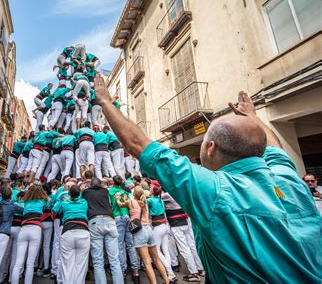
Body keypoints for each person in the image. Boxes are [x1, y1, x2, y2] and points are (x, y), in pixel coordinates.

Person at [95, 74, 321, 283]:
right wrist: (253, 117)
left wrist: (105, 102)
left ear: (211, 148)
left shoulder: (215, 191)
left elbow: (139, 145)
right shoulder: (289, 179)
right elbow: (274, 148)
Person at [116, 186, 169, 284]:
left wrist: (118, 198)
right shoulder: (145, 203)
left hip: (139, 232)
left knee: (147, 262)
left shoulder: (131, 202)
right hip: (149, 230)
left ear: (134, 194)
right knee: (156, 259)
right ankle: (167, 280)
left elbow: (120, 205)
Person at [82, 178, 123, 284]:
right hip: (109, 220)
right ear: (100, 185)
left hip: (95, 221)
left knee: (98, 261)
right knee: (114, 259)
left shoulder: (86, 192)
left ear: (90, 184)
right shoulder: (105, 191)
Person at [11, 184, 49, 284]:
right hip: (36, 229)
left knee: (18, 262)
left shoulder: (25, 201)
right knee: (30, 263)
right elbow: (49, 202)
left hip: (23, 229)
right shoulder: (42, 201)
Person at [53, 184, 90, 284]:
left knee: (67, 265)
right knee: (81, 266)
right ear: (79, 194)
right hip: (83, 232)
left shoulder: (64, 203)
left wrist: (60, 199)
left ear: (69, 193)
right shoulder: (84, 202)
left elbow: (54, 211)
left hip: (68, 232)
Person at [108, 175, 140, 282]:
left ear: (113, 182)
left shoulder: (110, 191)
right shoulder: (126, 192)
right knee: (130, 244)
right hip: (127, 217)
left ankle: (123, 270)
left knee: (120, 245)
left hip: (117, 217)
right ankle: (136, 272)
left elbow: (109, 204)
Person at [147, 186, 176, 282]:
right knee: (165, 250)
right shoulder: (161, 200)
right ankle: (169, 272)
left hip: (158, 226)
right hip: (165, 225)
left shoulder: (150, 200)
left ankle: (169, 272)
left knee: (157, 251)